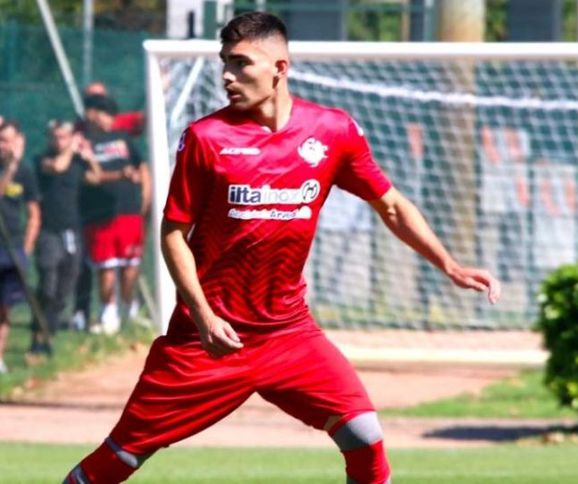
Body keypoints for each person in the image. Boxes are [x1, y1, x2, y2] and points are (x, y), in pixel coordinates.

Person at [63, 11, 500, 483]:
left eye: (241, 63)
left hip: (288, 334)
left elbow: (391, 205)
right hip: (209, 339)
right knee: (123, 456)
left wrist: (449, 265)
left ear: (280, 68)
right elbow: (173, 234)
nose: (227, 76)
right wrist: (205, 317)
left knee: (365, 435)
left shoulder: (332, 131)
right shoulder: (207, 138)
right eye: (224, 63)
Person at [78, 94, 151, 334]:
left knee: (131, 265)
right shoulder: (84, 142)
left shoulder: (123, 138)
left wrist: (146, 197)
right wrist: (119, 175)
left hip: (129, 211)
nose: (108, 119)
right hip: (99, 215)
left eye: (111, 114)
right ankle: (108, 315)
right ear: (91, 114)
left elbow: (141, 167)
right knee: (106, 268)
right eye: (104, 113)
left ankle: (130, 311)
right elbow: (90, 177)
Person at [28, 120, 101, 353]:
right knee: (47, 286)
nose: (59, 142)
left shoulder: (77, 163)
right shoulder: (42, 160)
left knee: (64, 288)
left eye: (64, 137)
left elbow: (96, 178)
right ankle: (37, 335)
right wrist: (71, 148)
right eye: (56, 137)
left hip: (72, 232)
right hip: (49, 231)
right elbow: (58, 167)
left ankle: (47, 334)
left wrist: (89, 157)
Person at [0, 120, 41, 373]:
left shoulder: (25, 171)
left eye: (8, 140)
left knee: (4, 308)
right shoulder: (10, 168)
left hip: (12, 249)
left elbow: (34, 212)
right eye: (1, 140)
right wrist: (11, 167)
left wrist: (26, 248)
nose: (4, 145)